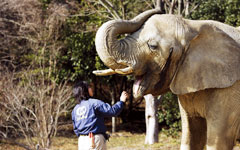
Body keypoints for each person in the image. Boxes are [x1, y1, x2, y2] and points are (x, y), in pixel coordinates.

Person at [72, 81, 128, 150]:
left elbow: (76, 129)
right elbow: (113, 111)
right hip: (94, 140)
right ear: (84, 90)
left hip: (81, 142)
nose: (91, 88)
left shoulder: (75, 109)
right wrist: (121, 101)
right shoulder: (94, 103)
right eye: (89, 87)